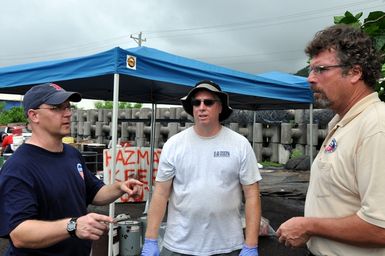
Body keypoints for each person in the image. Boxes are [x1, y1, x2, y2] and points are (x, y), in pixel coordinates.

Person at [276, 24, 385, 255]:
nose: (310, 79)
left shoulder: (376, 126)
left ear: (355, 73)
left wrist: (309, 225)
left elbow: (380, 228)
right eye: (310, 70)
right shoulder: (342, 122)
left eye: (321, 69)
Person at [0, 83, 143, 256]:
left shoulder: (72, 154)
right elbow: (19, 234)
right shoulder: (19, 167)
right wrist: (73, 226)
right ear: (34, 115)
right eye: (57, 108)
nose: (68, 113)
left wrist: (119, 187)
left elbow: (95, 193)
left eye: (68, 107)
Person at [141, 80, 262, 256]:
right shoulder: (174, 144)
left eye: (208, 102)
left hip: (227, 245)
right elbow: (160, 193)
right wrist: (150, 239)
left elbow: (252, 195)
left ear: (220, 107)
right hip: (179, 245)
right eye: (196, 103)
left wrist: (251, 244)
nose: (201, 107)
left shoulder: (239, 144)